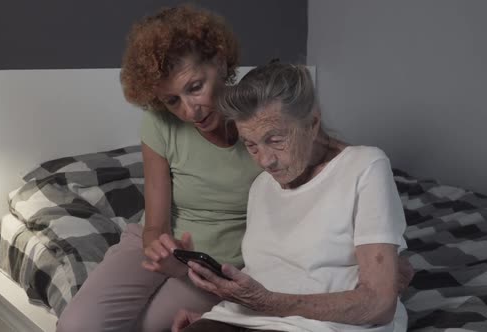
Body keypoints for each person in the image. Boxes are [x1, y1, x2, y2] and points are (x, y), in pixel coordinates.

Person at [57, 6, 412, 332]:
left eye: (195, 87)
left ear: (221, 63)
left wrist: (388, 257)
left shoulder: (273, 121)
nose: (189, 111)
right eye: (171, 100)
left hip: (222, 264)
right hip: (172, 249)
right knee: (78, 326)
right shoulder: (168, 129)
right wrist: (162, 250)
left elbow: (335, 170)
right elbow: (156, 224)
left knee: (152, 328)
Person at [172, 63, 408, 332]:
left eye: (274, 139)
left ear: (312, 123)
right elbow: (272, 271)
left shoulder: (365, 166)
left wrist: (270, 304)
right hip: (245, 319)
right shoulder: (261, 186)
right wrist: (212, 318)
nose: (265, 161)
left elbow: (380, 304)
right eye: (251, 145)